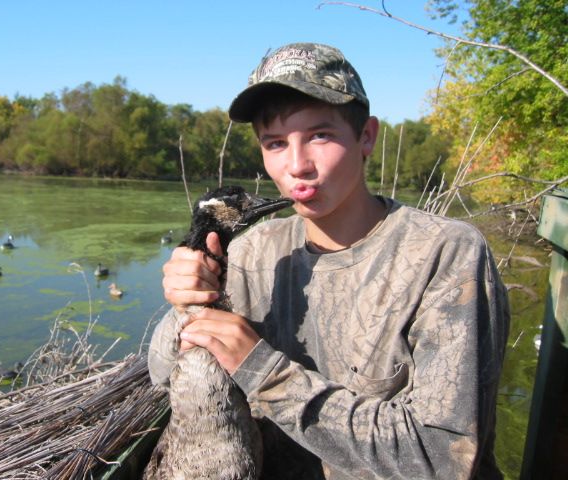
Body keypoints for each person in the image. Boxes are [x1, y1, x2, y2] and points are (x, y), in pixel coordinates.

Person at [148, 42, 510, 479]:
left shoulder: (445, 255)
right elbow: (161, 375)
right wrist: (184, 309)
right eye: (276, 142)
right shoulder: (252, 250)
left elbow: (441, 457)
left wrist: (262, 370)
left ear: (367, 136)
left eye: (320, 135)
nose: (297, 165)